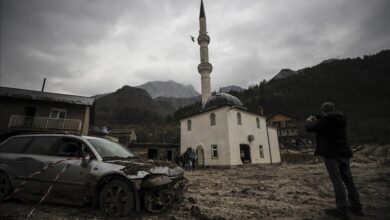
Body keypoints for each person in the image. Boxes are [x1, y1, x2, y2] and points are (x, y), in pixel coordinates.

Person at [306, 102, 363, 220]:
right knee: (349, 181)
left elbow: (310, 128)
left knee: (337, 182)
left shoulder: (325, 121)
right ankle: (356, 207)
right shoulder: (341, 119)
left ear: (324, 111)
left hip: (331, 155)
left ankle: (342, 209)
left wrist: (309, 120)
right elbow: (325, 118)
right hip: (344, 153)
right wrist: (319, 116)